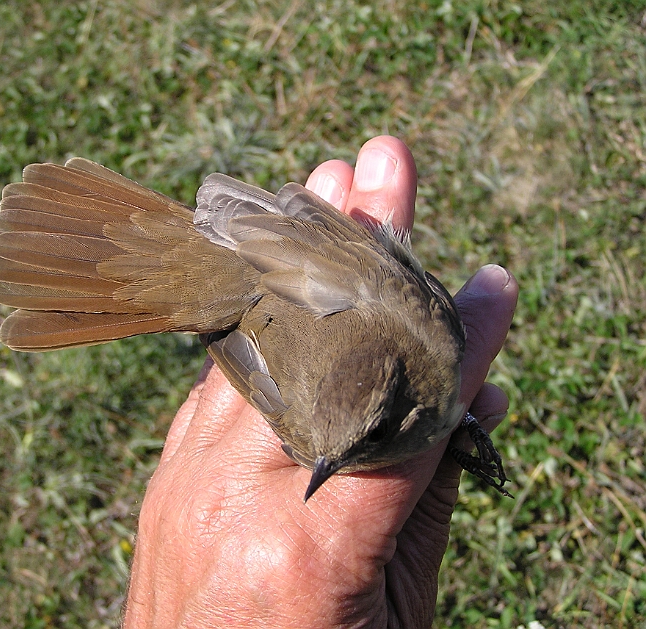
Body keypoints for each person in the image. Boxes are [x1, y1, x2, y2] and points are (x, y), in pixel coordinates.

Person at [122, 135, 519, 628]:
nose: (324, 461)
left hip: (265, 279)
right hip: (249, 277)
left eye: (369, 438)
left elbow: (246, 356)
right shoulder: (323, 436)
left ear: (405, 409)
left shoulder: (436, 345)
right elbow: (244, 352)